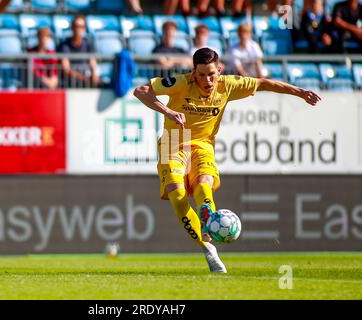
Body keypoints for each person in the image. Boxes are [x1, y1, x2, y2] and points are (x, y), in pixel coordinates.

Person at [133, 48, 321, 272]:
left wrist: (300, 92)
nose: (207, 80)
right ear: (193, 73)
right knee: (178, 195)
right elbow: (141, 91)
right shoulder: (180, 82)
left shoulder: (229, 85)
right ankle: (207, 248)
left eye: (211, 74)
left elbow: (264, 83)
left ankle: (207, 218)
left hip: (203, 143)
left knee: (203, 183)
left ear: (219, 70)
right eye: (201, 75)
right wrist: (167, 111)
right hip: (173, 141)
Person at [57, 15, 100, 87]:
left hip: (87, 79)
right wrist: (82, 78)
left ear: (84, 29)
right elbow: (66, 69)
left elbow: (93, 63)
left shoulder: (89, 43)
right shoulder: (64, 45)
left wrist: (94, 74)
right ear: (72, 28)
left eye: (81, 26)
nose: (78, 29)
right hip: (71, 81)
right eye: (76, 26)